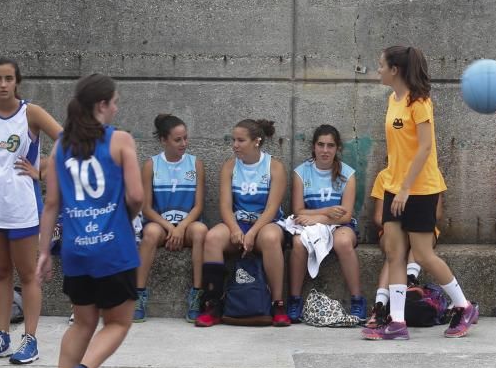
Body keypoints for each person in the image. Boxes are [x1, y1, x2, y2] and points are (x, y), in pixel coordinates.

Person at [37, 74, 143, 368]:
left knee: (83, 322)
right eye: (114, 102)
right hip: (113, 247)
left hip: (76, 248)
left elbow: (51, 204)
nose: (116, 107)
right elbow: (137, 196)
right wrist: (126, 214)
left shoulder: (60, 146)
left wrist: (42, 253)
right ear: (101, 105)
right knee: (118, 322)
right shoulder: (121, 141)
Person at [362, 45, 477, 340]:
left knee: (424, 255)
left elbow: (425, 148)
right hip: (393, 186)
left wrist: (406, 189)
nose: (378, 70)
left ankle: (463, 306)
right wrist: (396, 187)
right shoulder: (393, 98)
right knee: (394, 253)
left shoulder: (420, 102)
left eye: (381, 65)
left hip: (420, 189)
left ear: (395, 70)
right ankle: (397, 322)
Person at [0, 58, 62, 365]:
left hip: (22, 206)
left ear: (17, 81)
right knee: (0, 271)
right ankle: (1, 336)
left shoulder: (30, 113)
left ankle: (30, 340)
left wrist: (42, 170)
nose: (4, 84)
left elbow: (65, 138)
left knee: (28, 273)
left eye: (9, 78)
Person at [196, 119, 288, 327]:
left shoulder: (274, 167)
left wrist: (253, 232)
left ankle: (277, 303)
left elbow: (272, 208)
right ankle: (213, 303)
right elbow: (225, 207)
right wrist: (235, 229)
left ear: (256, 141)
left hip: (266, 224)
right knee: (212, 238)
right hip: (239, 223)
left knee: (271, 238)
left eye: (240, 140)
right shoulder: (230, 166)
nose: (235, 145)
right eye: (233, 140)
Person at [287, 124, 364, 322]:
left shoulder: (348, 174)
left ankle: (357, 300)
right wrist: (326, 212)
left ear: (337, 148)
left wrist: (316, 217)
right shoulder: (301, 172)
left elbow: (345, 216)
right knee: (298, 243)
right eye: (320, 145)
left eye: (330, 145)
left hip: (339, 226)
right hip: (310, 224)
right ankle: (294, 300)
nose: (325, 150)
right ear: (314, 147)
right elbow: (298, 211)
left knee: (343, 242)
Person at [136, 114, 208, 323]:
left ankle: (197, 294)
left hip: (188, 225)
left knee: (201, 231)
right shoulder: (151, 165)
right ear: (163, 140)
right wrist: (170, 227)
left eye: (185, 138)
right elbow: (147, 208)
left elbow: (199, 206)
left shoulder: (196, 164)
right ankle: (139, 294)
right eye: (178, 140)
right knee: (149, 233)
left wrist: (181, 227)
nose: (183, 143)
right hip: (161, 226)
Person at [365, 169, 444, 328]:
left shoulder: (431, 173)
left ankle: (410, 279)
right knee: (394, 253)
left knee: (416, 242)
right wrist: (400, 227)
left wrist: (411, 224)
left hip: (422, 228)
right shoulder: (385, 175)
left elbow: (437, 213)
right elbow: (379, 216)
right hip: (392, 229)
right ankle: (379, 306)